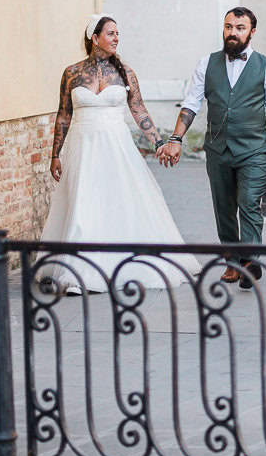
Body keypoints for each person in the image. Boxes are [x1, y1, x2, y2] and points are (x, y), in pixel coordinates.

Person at [41, 14, 189, 282]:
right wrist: (55, 154)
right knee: (83, 202)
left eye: (117, 34)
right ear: (94, 38)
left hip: (116, 146)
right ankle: (79, 271)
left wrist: (159, 142)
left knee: (119, 200)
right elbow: (64, 115)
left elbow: (138, 109)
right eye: (110, 33)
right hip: (82, 147)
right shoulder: (72, 73)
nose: (116, 38)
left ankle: (121, 262)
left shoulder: (126, 72)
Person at [156, 8, 266, 281]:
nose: (233, 32)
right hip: (217, 148)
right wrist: (176, 138)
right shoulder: (206, 63)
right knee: (223, 207)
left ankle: (249, 263)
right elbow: (191, 104)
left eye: (240, 27)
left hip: (253, 149)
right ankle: (232, 260)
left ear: (252, 32)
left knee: (249, 204)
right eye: (228, 26)